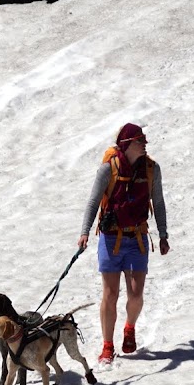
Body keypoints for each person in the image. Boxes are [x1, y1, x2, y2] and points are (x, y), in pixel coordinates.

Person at [76, 122, 169, 365]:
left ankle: (129, 327)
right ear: (128, 144)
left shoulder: (151, 169)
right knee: (110, 293)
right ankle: (108, 345)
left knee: (136, 295)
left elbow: (158, 203)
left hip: (137, 238)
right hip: (111, 239)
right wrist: (85, 232)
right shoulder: (108, 170)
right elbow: (93, 201)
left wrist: (163, 235)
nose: (145, 144)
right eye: (140, 140)